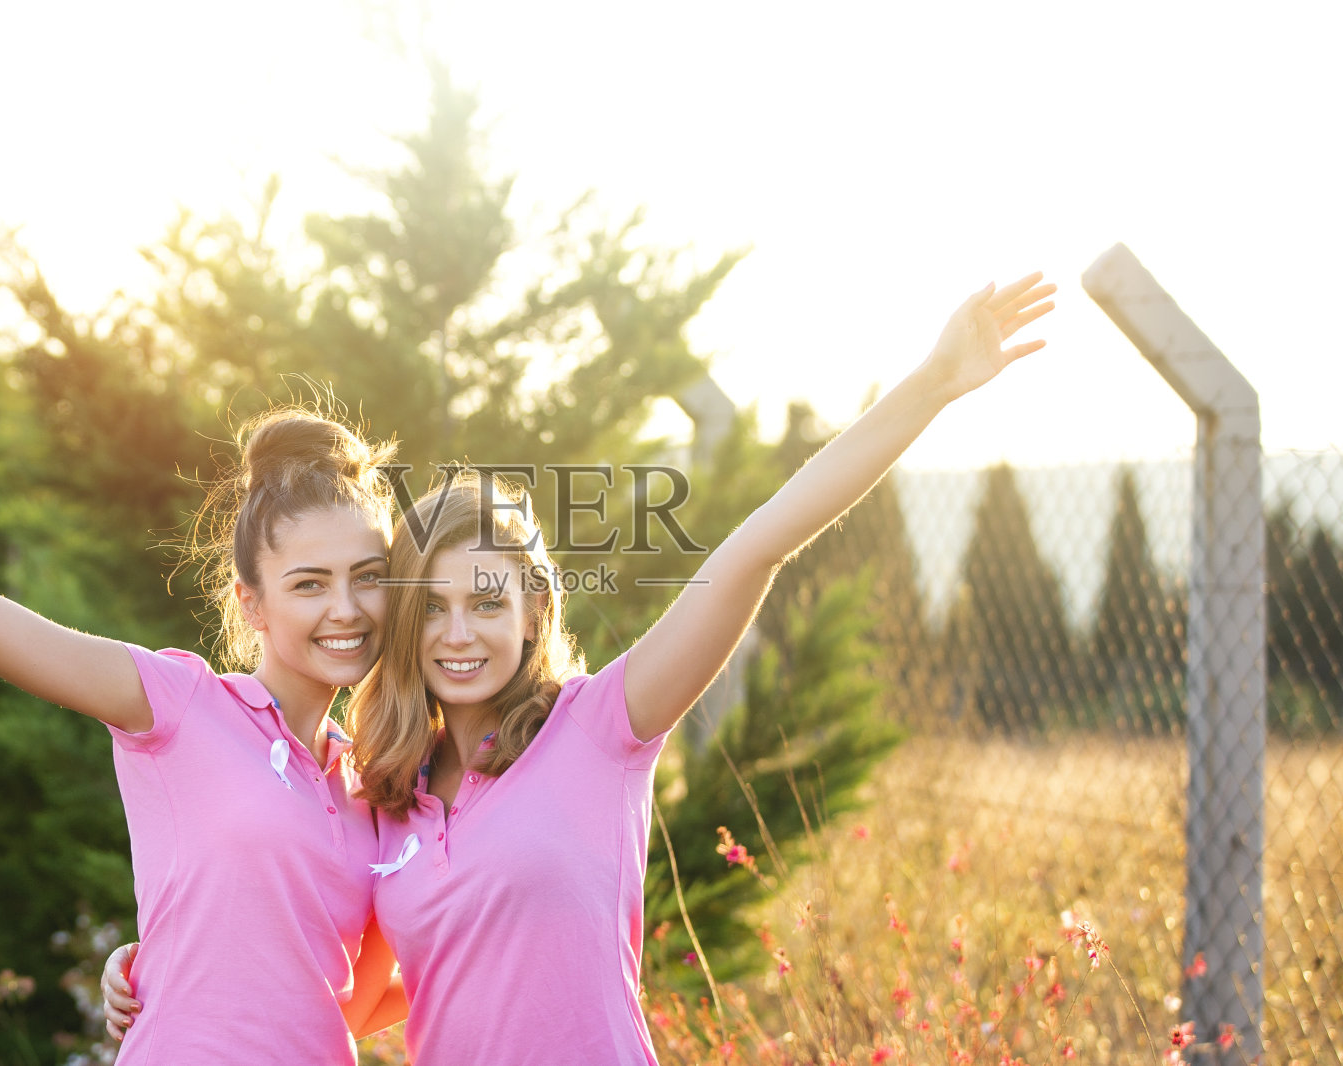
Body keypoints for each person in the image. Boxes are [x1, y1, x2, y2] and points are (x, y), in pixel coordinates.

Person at [103, 272, 1056, 1061]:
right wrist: (156, 972)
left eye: (488, 602)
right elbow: (350, 993)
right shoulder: (389, 796)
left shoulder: (602, 730)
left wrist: (934, 382)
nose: (459, 633)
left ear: (534, 612)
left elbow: (756, 547)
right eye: (433, 606)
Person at [0, 234, 406, 1064]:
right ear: (252, 603)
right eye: (308, 584)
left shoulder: (376, 780)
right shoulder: (178, 705)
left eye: (367, 577)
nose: (345, 609)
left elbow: (363, 998)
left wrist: (166, 951)